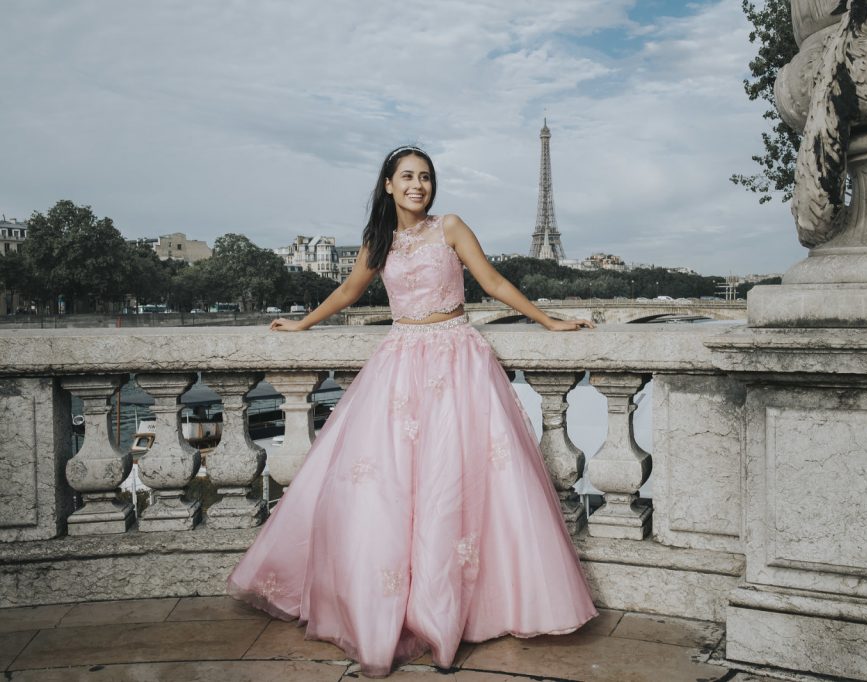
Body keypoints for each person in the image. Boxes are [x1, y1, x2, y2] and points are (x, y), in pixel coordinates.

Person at [227, 145, 598, 678]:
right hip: (399, 366)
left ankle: (445, 617)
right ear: (388, 185)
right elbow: (351, 291)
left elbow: (492, 283)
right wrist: (302, 323)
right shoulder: (379, 241)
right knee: (389, 491)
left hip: (457, 363)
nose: (418, 185)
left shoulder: (450, 226)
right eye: (407, 177)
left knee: (452, 490)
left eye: (425, 177)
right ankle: (391, 611)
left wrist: (551, 321)